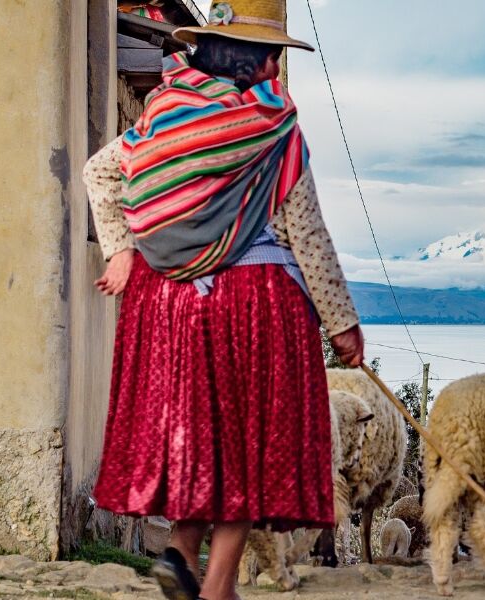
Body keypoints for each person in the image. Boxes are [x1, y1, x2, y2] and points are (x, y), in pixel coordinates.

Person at [82, 2, 361, 599]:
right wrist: (343, 324)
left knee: (204, 439)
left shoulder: (164, 113)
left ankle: (182, 554)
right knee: (246, 448)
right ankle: (217, 588)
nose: (276, 66)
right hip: (253, 301)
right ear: (258, 60)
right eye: (273, 54)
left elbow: (98, 174)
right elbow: (306, 232)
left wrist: (120, 250)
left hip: (167, 306)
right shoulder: (273, 126)